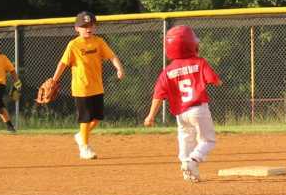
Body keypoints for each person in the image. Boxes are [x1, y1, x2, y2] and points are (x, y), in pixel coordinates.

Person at [142, 24, 221, 182]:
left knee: (186, 139)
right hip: (198, 110)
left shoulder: (167, 71)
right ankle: (192, 161)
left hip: (181, 114)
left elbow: (158, 95)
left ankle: (187, 169)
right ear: (191, 45)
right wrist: (217, 81)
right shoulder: (199, 62)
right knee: (207, 140)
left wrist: (150, 116)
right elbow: (215, 81)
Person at [42, 11, 125, 159]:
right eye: (84, 26)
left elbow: (112, 56)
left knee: (98, 117)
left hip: (97, 86)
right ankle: (84, 148)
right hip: (81, 88)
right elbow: (63, 63)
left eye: (91, 25)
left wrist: (119, 68)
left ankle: (81, 135)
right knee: (85, 119)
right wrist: (54, 79)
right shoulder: (73, 44)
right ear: (76, 28)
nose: (88, 28)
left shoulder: (99, 42)